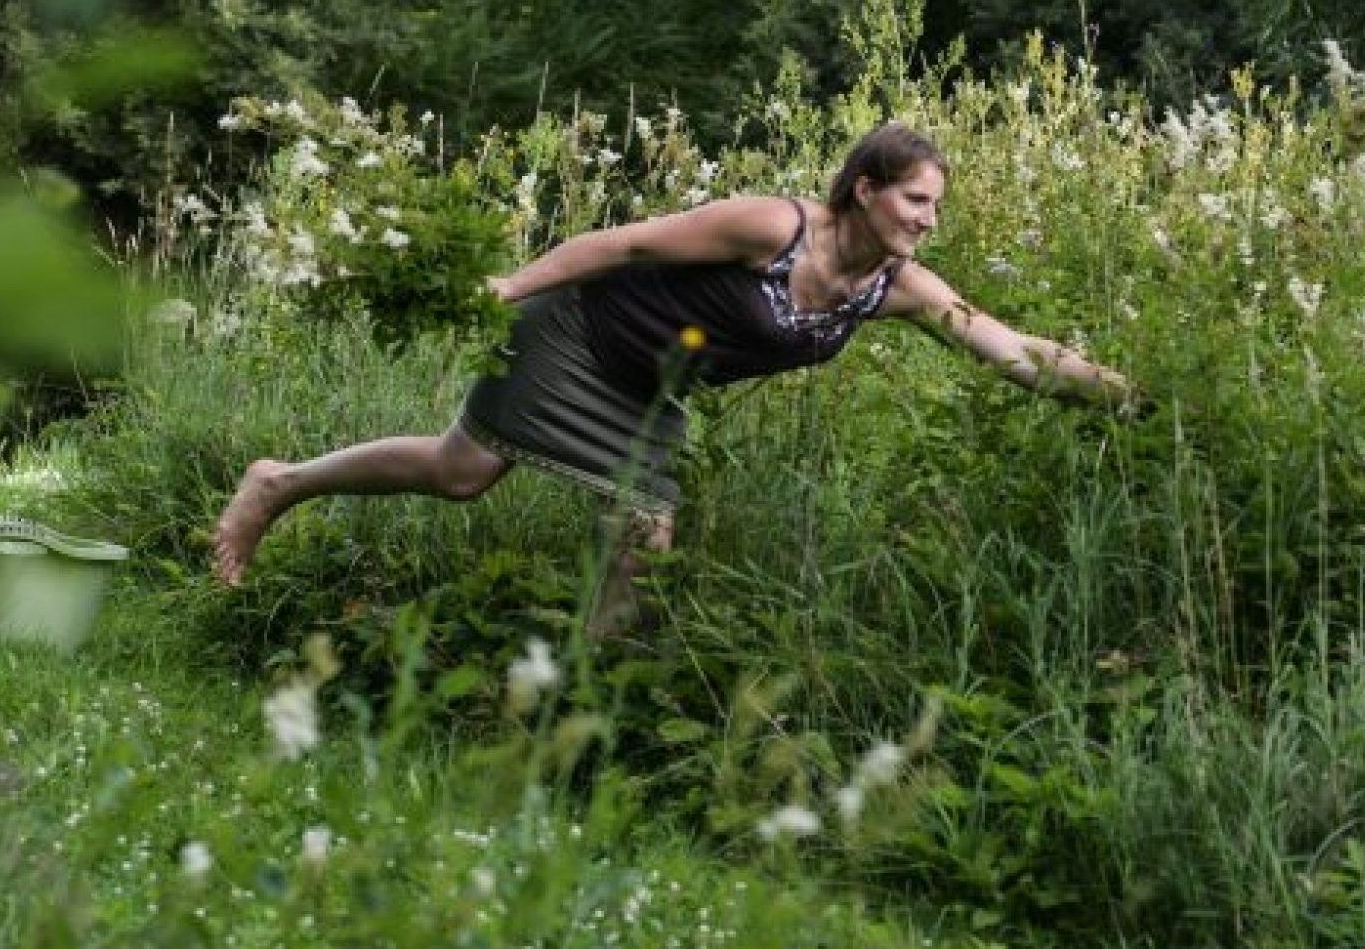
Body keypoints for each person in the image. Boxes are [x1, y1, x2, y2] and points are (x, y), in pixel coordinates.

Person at [208, 122, 1133, 633]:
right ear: (866, 189)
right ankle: (277, 485)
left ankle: (594, 695)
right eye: (916, 200)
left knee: (642, 529)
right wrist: (505, 288)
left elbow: (1008, 346)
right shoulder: (772, 227)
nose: (929, 221)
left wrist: (1121, 394)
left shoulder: (897, 289)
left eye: (936, 206)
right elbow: (623, 242)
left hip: (646, 393)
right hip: (571, 334)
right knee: (464, 473)